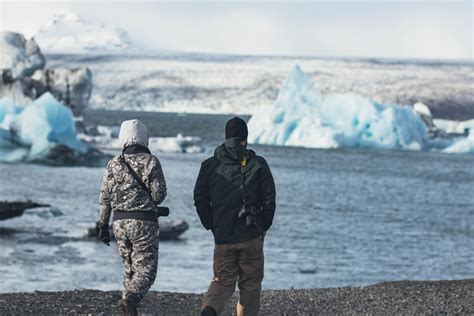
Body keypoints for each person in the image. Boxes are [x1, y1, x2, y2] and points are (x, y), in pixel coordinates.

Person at [194, 117, 276, 316]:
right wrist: (263, 226)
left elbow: (200, 198)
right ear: (245, 139)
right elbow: (269, 199)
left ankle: (210, 310)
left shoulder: (209, 165)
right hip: (251, 235)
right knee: (250, 283)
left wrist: (212, 224)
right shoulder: (258, 163)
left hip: (223, 236)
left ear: (226, 137)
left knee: (222, 280)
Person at [98, 119, 167, 316]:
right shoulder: (151, 162)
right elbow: (159, 195)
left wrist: (103, 225)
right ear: (145, 138)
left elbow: (104, 197)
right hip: (143, 223)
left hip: (119, 223)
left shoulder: (113, 164)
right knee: (146, 270)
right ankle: (130, 300)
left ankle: (128, 310)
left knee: (129, 269)